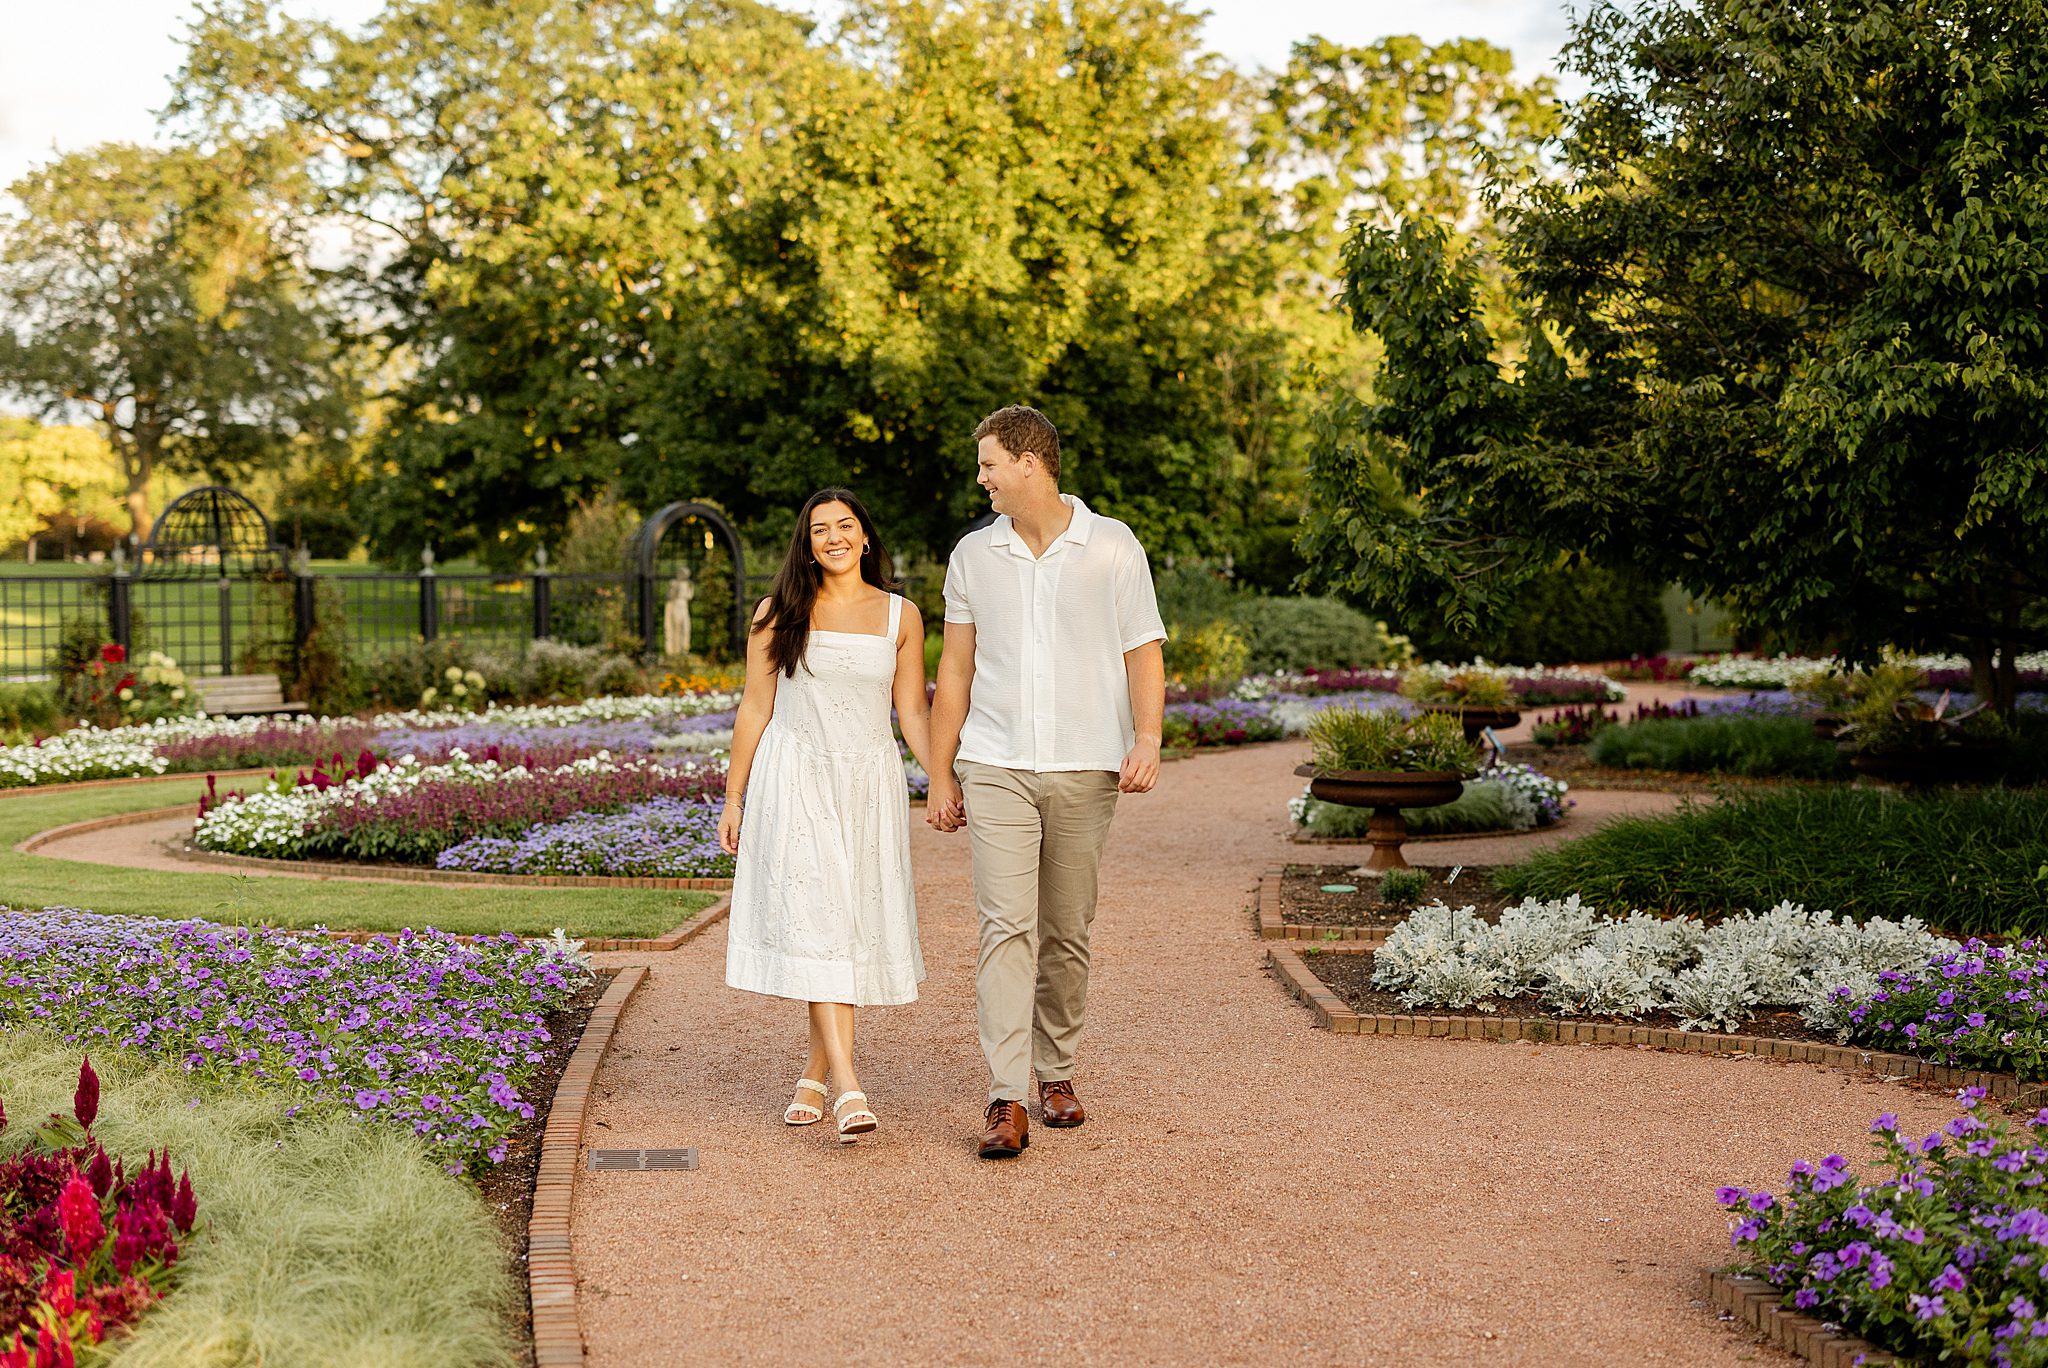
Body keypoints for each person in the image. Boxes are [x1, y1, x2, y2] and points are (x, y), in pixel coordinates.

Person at [926, 405, 1167, 1159]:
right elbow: (955, 668)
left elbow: (1143, 652)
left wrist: (1149, 737)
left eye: (990, 463)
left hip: (1085, 764)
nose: (982, 477)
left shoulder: (1113, 547)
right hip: (995, 763)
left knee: (1067, 928)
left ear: (1030, 462)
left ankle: (1054, 1074)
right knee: (1006, 925)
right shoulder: (973, 556)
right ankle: (1005, 1095)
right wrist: (940, 772)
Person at [720, 487, 933, 1143]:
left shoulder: (902, 616)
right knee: (818, 923)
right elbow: (755, 708)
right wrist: (734, 795)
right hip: (796, 777)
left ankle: (812, 1072)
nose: (833, 537)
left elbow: (913, 712)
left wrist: (943, 777)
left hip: (867, 781)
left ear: (866, 537)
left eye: (845, 526)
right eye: (819, 529)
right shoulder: (779, 613)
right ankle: (847, 1084)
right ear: (806, 543)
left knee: (845, 924)